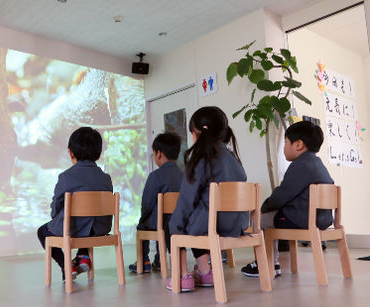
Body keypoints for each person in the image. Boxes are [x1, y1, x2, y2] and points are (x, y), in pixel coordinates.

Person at [166, 106, 248, 292]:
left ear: (199, 134)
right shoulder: (233, 159)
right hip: (236, 224)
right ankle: (205, 272)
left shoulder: (202, 160)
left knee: (175, 224)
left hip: (213, 225)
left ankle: (182, 277)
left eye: (193, 134)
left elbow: (186, 200)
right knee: (196, 221)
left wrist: (175, 227)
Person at [241, 120, 334, 277]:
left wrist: (262, 208)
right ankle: (273, 262)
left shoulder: (300, 165)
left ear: (298, 145)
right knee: (270, 216)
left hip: (303, 219)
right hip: (323, 219)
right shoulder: (317, 164)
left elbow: (281, 196)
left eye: (285, 142)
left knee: (260, 221)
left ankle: (266, 263)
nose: (284, 147)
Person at [37, 127, 113, 281]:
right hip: (100, 228)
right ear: (99, 154)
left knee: (43, 231)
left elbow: (55, 208)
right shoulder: (106, 178)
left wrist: (56, 217)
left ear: (71, 152)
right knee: (87, 222)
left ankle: (66, 266)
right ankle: (83, 256)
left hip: (75, 229)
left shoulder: (66, 177)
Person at [128, 132, 183, 273]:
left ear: (159, 154)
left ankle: (144, 260)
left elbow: (147, 203)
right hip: (179, 222)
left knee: (144, 225)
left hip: (161, 224)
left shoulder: (155, 176)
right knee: (164, 223)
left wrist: (143, 217)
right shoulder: (185, 175)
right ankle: (159, 259)